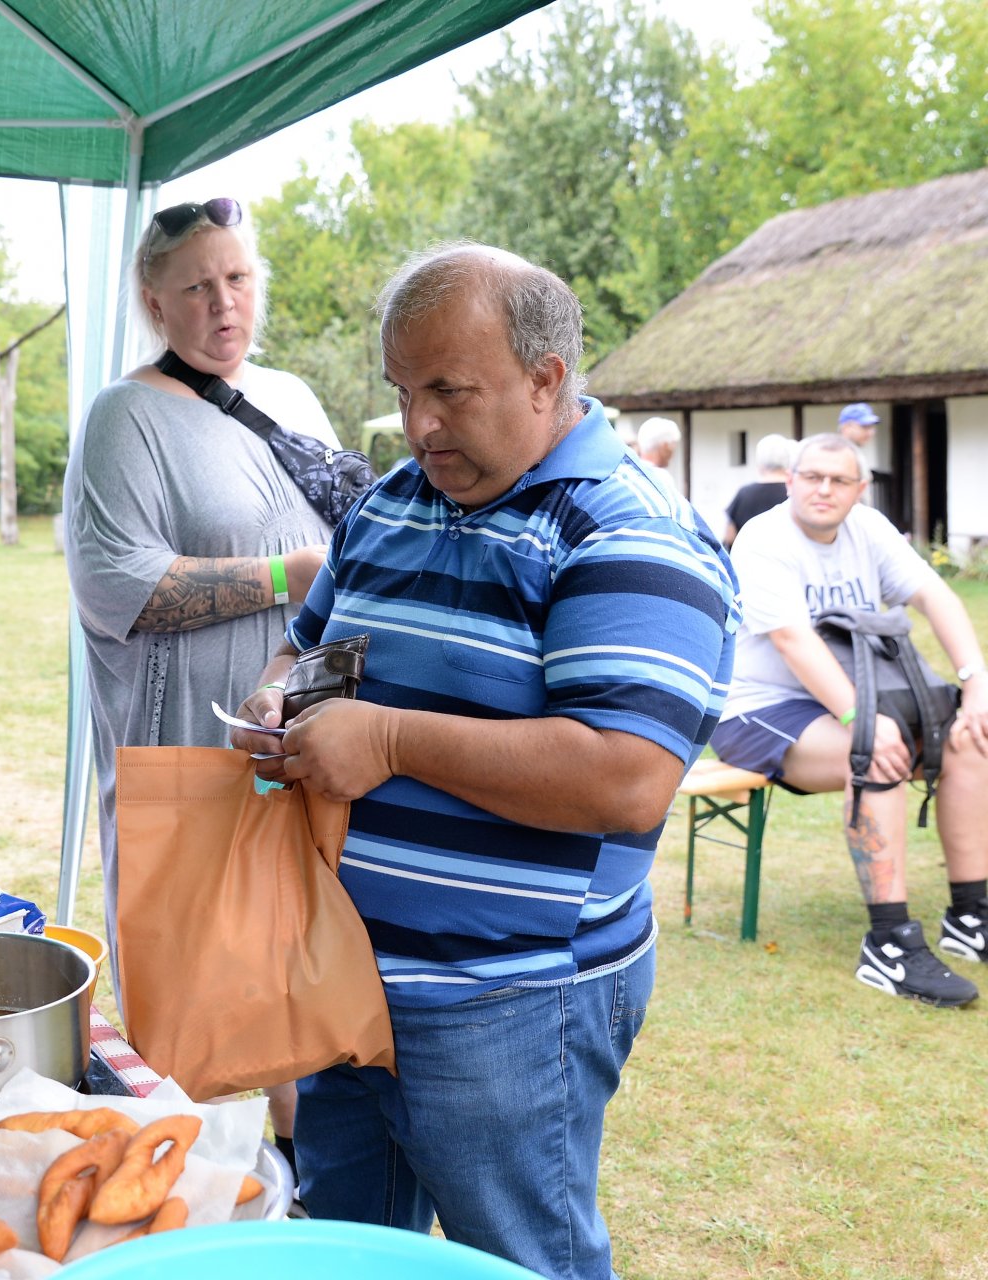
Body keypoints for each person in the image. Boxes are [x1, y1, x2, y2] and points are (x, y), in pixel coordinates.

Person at [230, 244, 738, 1280]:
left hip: (505, 1001)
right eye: (403, 391)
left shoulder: (626, 530)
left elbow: (625, 774)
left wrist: (390, 738)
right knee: (347, 1251)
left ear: (548, 376)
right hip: (344, 969)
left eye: (448, 391)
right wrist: (279, 694)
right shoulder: (387, 503)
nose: (418, 425)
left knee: (520, 1261)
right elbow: (313, 641)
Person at [63, 196, 338, 1172]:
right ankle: (194, 1187)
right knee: (199, 1003)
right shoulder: (125, 416)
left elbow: (353, 548)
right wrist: (280, 579)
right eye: (197, 286)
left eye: (239, 279)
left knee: (299, 980)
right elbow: (114, 586)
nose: (225, 304)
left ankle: (297, 1180)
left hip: (302, 737)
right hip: (186, 745)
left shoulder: (295, 398)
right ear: (153, 300)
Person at [710, 432, 985, 1008]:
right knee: (875, 751)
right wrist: (862, 716)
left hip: (845, 699)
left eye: (838, 480)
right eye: (811, 477)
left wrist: (976, 684)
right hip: (758, 708)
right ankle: (889, 945)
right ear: (790, 481)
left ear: (860, 490)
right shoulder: (764, 538)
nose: (823, 490)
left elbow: (936, 597)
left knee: (970, 736)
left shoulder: (871, 529)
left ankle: (971, 916)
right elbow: (792, 641)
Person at [721, 432, 799, 547]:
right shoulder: (796, 492)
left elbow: (730, 536)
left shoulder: (744, 493)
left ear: (759, 462)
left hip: (749, 559)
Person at [837, 402, 888, 510]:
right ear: (847, 427)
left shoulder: (855, 452)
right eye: (865, 427)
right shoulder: (838, 454)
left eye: (871, 427)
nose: (871, 432)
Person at [635, 415, 682, 494]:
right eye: (672, 446)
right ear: (665, 446)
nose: (672, 454)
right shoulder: (663, 478)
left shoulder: (630, 472)